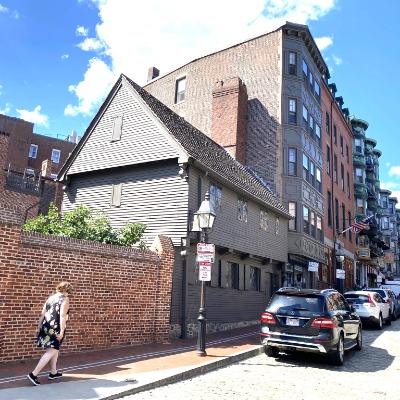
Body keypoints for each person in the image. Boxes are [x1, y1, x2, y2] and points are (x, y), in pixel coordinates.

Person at [27, 281, 73, 386]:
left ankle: (53, 372)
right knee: (51, 350)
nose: (69, 294)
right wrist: (61, 330)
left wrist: (39, 327)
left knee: (54, 350)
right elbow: (62, 316)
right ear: (67, 290)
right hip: (55, 328)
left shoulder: (51, 298)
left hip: (46, 326)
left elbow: (43, 313)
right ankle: (33, 374)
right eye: (69, 292)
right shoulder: (64, 299)